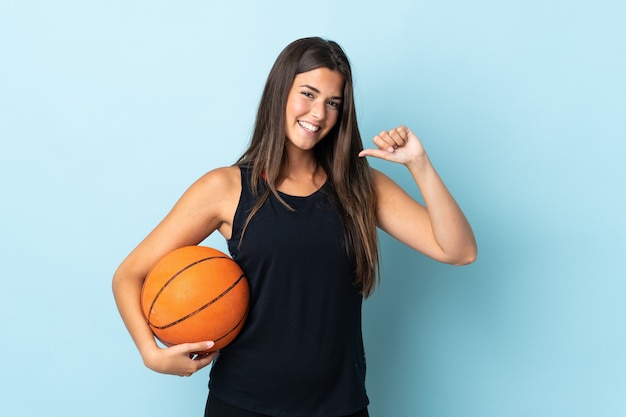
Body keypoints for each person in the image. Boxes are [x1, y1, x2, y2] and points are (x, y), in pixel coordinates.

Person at [112, 37, 477, 417]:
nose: (318, 113)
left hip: (339, 407)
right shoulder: (226, 188)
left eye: (332, 103)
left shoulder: (360, 187)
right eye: (308, 94)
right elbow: (128, 275)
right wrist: (151, 354)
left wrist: (418, 163)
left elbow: (459, 250)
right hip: (241, 404)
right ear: (280, 92)